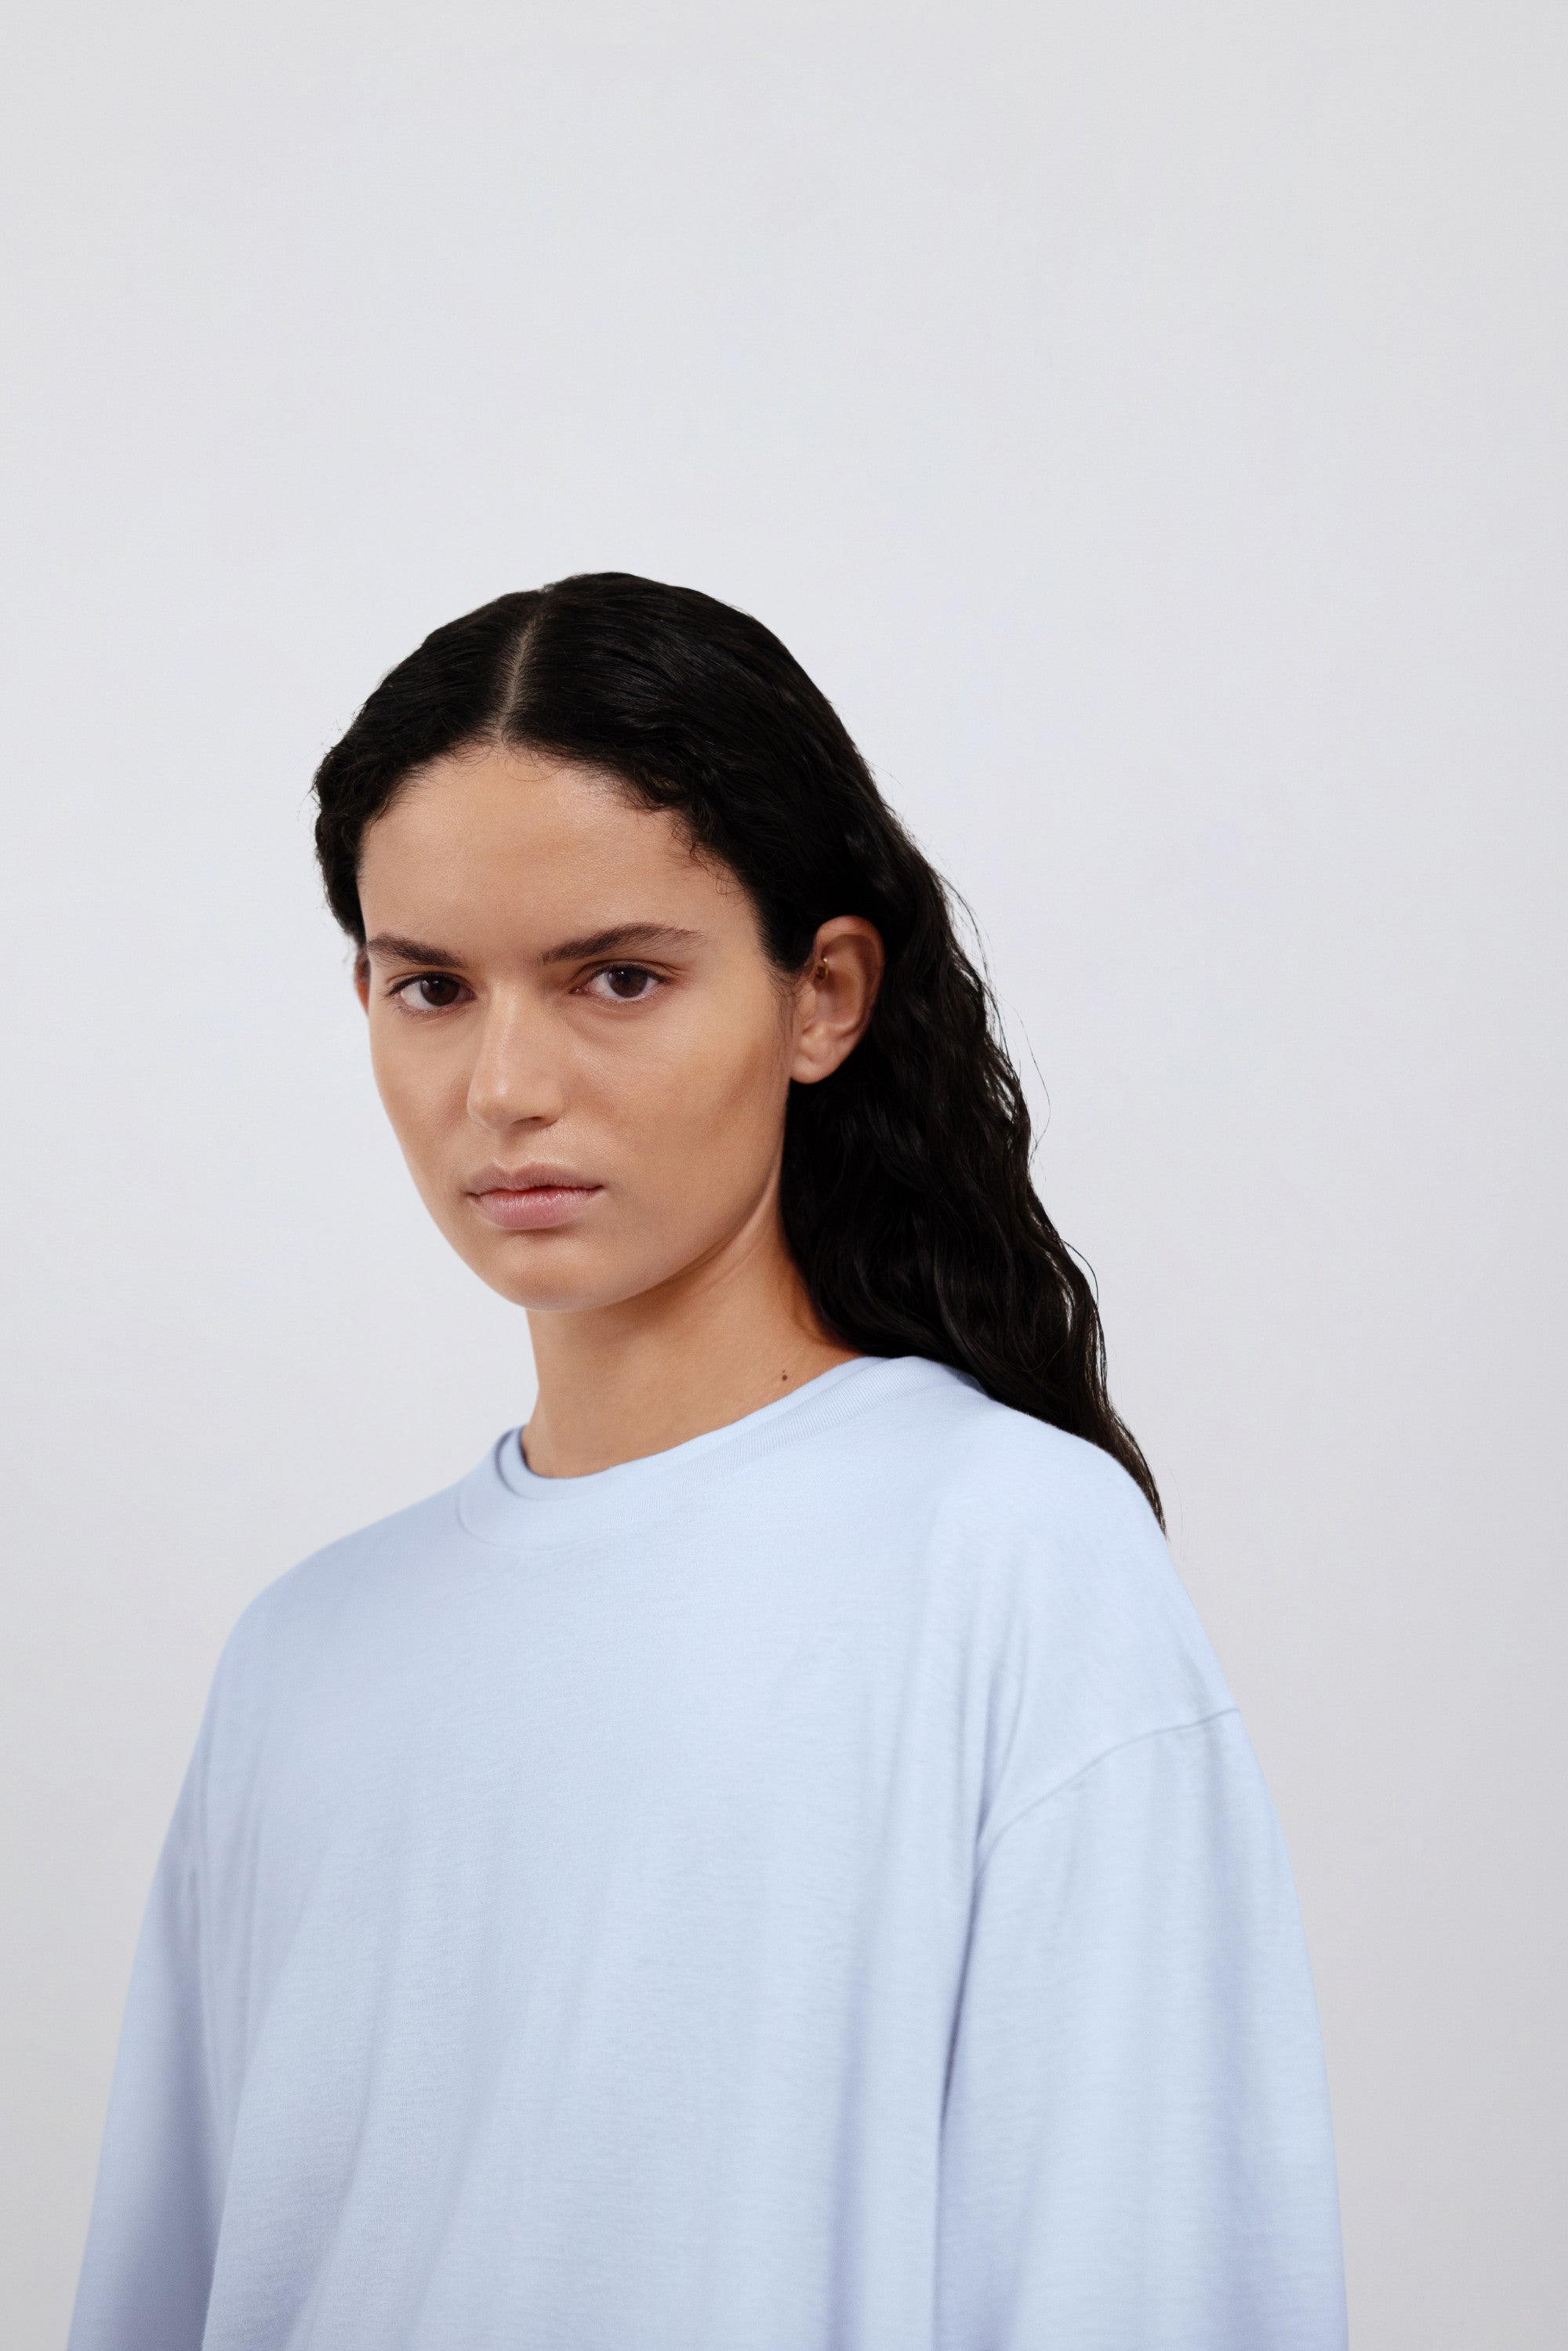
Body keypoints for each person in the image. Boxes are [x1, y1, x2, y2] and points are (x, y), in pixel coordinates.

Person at [70, 573, 1347, 2349]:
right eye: (431, 987)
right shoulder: (304, 1658)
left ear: (822, 996)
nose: (504, 1086)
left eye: (617, 977)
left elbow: (1147, 2282)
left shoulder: (1012, 1565)